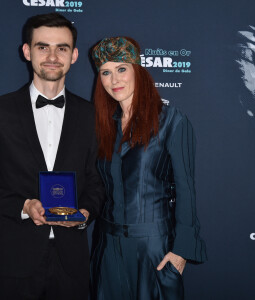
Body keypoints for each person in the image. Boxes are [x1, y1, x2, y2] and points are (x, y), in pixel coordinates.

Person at [90, 37, 207, 300]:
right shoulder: (103, 127)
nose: (114, 80)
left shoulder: (172, 122)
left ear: (138, 71)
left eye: (121, 69)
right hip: (108, 246)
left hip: (154, 248)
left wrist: (182, 250)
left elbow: (187, 189)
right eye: (105, 73)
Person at [0, 13, 105, 300]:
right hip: (12, 262)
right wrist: (24, 205)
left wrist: (85, 213)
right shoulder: (2, 112)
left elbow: (97, 182)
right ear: (26, 51)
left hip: (71, 264)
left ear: (73, 56)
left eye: (62, 48)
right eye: (42, 46)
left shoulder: (91, 116)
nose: (52, 56)